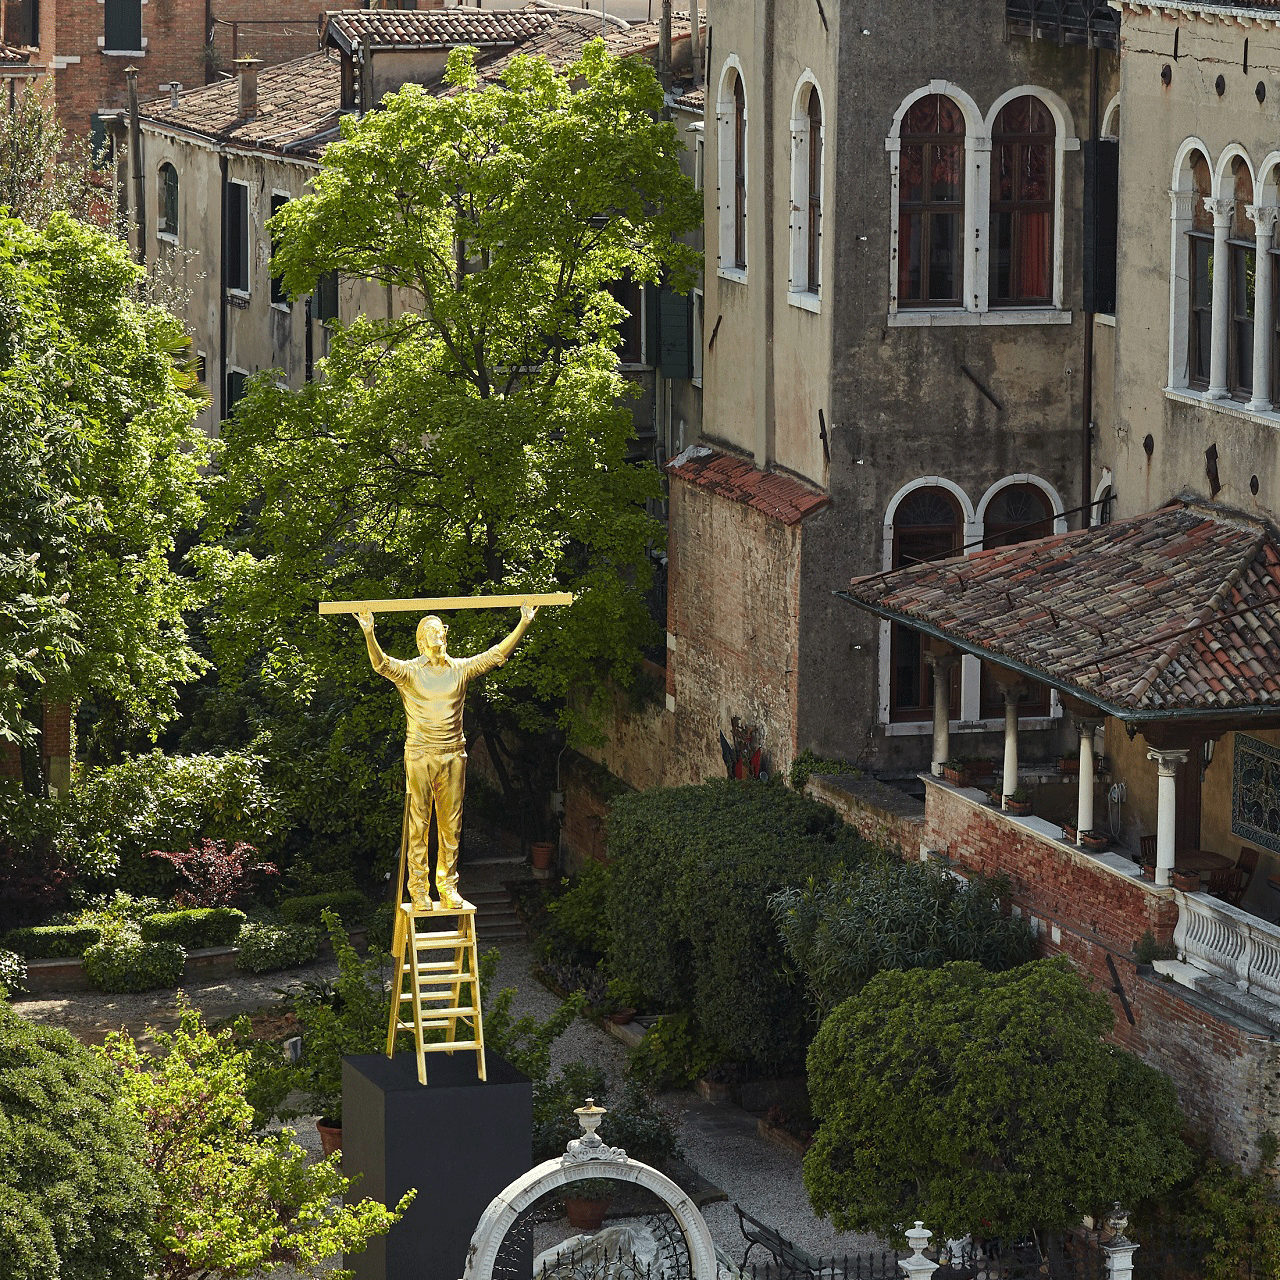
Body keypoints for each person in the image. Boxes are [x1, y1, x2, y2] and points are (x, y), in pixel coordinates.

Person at [356, 604, 537, 911]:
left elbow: (495, 655)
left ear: (445, 635)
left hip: (453, 754)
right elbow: (381, 664)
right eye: (428, 630)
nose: (435, 632)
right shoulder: (410, 672)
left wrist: (523, 622)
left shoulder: (460, 669)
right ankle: (418, 889)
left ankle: (448, 887)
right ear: (420, 641)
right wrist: (369, 632)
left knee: (451, 825)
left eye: (438, 628)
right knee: (419, 824)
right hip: (419, 755)